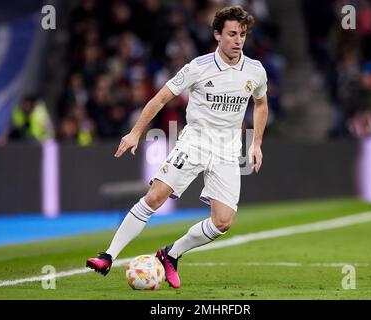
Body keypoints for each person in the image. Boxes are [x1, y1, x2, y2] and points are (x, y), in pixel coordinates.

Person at [86, 5, 268, 289]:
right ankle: (108, 255)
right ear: (217, 35)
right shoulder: (198, 67)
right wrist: (135, 132)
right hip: (194, 143)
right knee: (156, 196)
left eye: (242, 34)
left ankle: (171, 254)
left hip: (227, 151)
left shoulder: (255, 71)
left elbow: (260, 103)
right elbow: (159, 99)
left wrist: (255, 143)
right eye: (232, 34)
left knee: (223, 222)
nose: (238, 40)